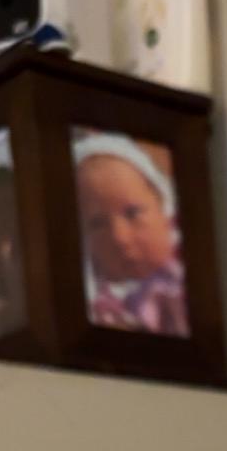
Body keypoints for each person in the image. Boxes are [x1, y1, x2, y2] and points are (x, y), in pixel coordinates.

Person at [74, 134, 189, 337]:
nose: (120, 238)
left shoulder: (185, 272)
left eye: (133, 213)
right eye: (97, 224)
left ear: (163, 207)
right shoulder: (102, 307)